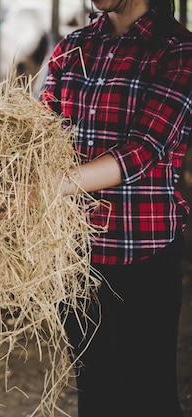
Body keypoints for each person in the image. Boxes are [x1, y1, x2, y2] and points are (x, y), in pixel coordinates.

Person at [41, 1, 192, 416]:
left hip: (141, 253)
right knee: (96, 392)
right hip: (76, 255)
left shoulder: (176, 50)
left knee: (149, 396)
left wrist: (48, 188)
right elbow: (42, 130)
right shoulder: (74, 46)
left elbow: (144, 149)